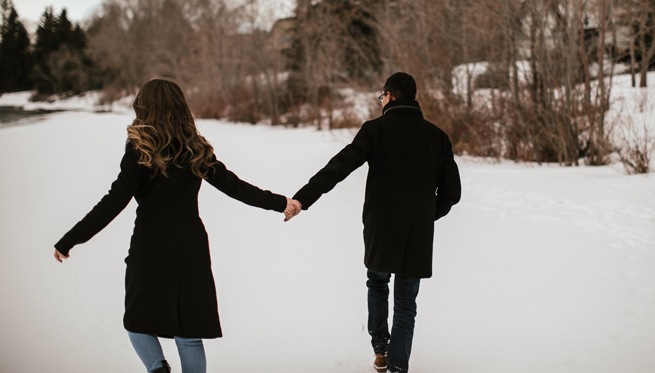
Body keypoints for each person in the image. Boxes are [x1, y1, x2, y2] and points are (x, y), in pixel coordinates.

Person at [53, 78, 299, 373]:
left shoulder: (139, 147)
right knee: (189, 333)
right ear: (180, 107)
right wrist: (280, 202)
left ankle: (158, 370)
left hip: (150, 245)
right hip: (190, 245)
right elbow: (235, 187)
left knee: (136, 322)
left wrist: (71, 238)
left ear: (143, 107)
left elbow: (115, 200)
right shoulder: (194, 147)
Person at [288, 72, 461, 373]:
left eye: (382, 96)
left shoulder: (376, 130)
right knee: (407, 301)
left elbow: (338, 167)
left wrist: (303, 199)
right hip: (417, 230)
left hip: (381, 224)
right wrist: (425, 214)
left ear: (390, 96)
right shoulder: (437, 137)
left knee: (378, 281)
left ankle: (381, 348)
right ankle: (397, 366)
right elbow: (452, 193)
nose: (381, 101)